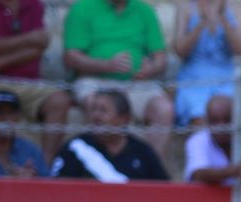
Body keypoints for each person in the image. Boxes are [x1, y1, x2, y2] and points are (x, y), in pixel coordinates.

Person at [62, 0, 174, 153]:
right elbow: (71, 58)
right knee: (100, 106)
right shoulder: (82, 9)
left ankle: (150, 170)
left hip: (137, 84)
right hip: (95, 81)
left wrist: (151, 68)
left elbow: (161, 59)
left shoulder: (145, 11)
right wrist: (106, 65)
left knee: (164, 109)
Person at [0, 0, 73, 161]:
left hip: (27, 82)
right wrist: (28, 39)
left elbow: (40, 45)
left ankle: (45, 168)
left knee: (59, 101)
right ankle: (1, 163)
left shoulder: (32, 4)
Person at [51, 87, 167, 180]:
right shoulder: (75, 148)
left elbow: (162, 191)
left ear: (124, 119)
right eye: (94, 110)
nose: (96, 116)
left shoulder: (142, 152)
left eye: (103, 111)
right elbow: (57, 190)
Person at [171, 0, 241, 128]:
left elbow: (240, 50)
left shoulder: (236, 8)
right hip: (193, 80)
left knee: (232, 116)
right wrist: (202, 23)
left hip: (227, 78)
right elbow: (180, 51)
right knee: (199, 117)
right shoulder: (186, 7)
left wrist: (224, 19)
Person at [0, 88, 47, 176]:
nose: (5, 118)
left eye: (10, 113)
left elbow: (49, 185)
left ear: (18, 117)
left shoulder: (31, 150)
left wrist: (33, 181)